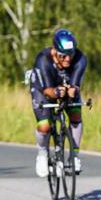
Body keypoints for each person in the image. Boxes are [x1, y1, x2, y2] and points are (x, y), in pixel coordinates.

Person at [29, 29, 87, 178]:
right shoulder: (43, 59)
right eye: (63, 56)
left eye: (71, 54)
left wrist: (72, 90)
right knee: (44, 125)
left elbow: (75, 85)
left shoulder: (80, 59)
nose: (68, 59)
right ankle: (42, 153)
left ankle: (74, 155)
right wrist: (56, 93)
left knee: (75, 114)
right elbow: (47, 90)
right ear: (54, 51)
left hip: (65, 84)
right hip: (44, 88)